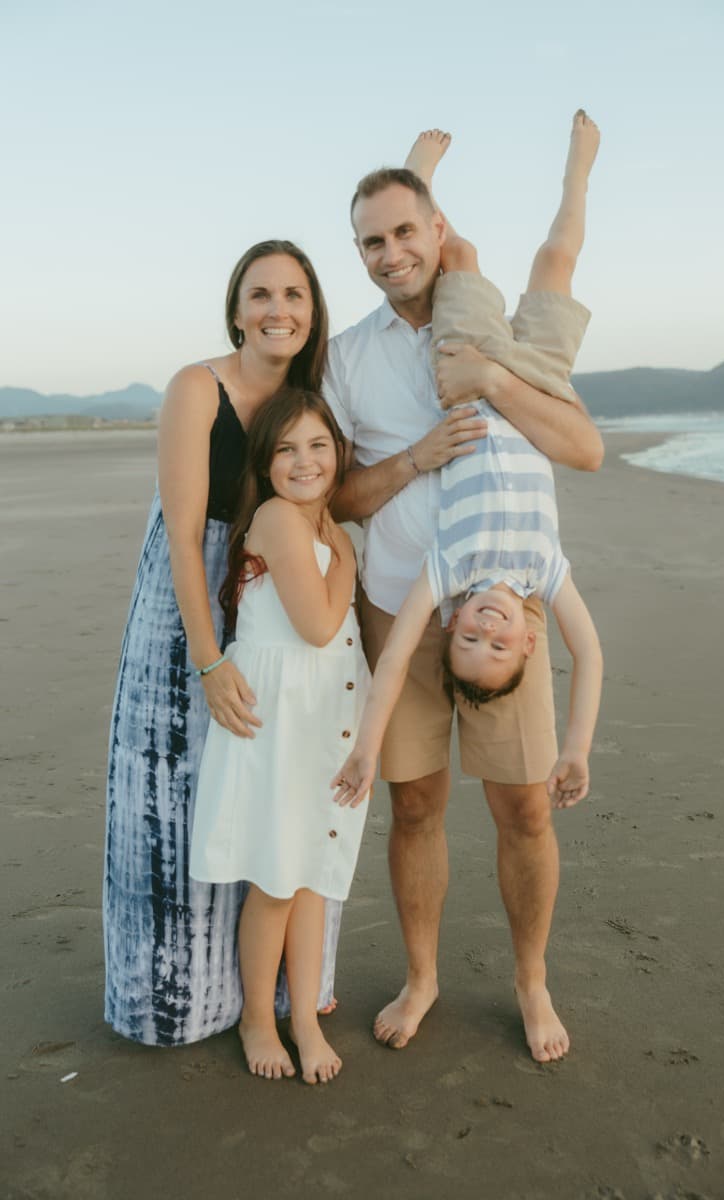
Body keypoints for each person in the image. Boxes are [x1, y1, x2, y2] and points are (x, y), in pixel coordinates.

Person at [325, 113, 604, 1063]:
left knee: (524, 809)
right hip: (400, 599)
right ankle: (423, 974)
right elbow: (339, 493)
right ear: (357, 252)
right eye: (373, 240)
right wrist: (411, 459)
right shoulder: (349, 357)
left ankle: (531, 982)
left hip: (503, 611)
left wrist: (487, 375)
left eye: (409, 230)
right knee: (415, 807)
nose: (391, 252)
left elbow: (585, 448)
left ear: (437, 230)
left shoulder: (479, 320)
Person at [104, 241, 343, 1047]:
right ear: (236, 308)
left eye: (295, 295)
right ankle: (178, 997)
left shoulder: (311, 396)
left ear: (313, 312)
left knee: (270, 790)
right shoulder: (195, 388)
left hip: (274, 602)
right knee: (181, 791)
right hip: (189, 606)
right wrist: (207, 660)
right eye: (261, 293)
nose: (280, 309)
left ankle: (282, 997)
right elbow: (180, 541)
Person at [190, 389, 370, 1083]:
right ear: (265, 465)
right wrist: (348, 559)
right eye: (286, 449)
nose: (304, 461)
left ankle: (302, 1018)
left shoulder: (320, 529)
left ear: (338, 453)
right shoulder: (281, 521)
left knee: (311, 877)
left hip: (318, 716)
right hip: (279, 722)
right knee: (275, 878)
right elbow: (319, 627)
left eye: (318, 446)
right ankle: (258, 1019)